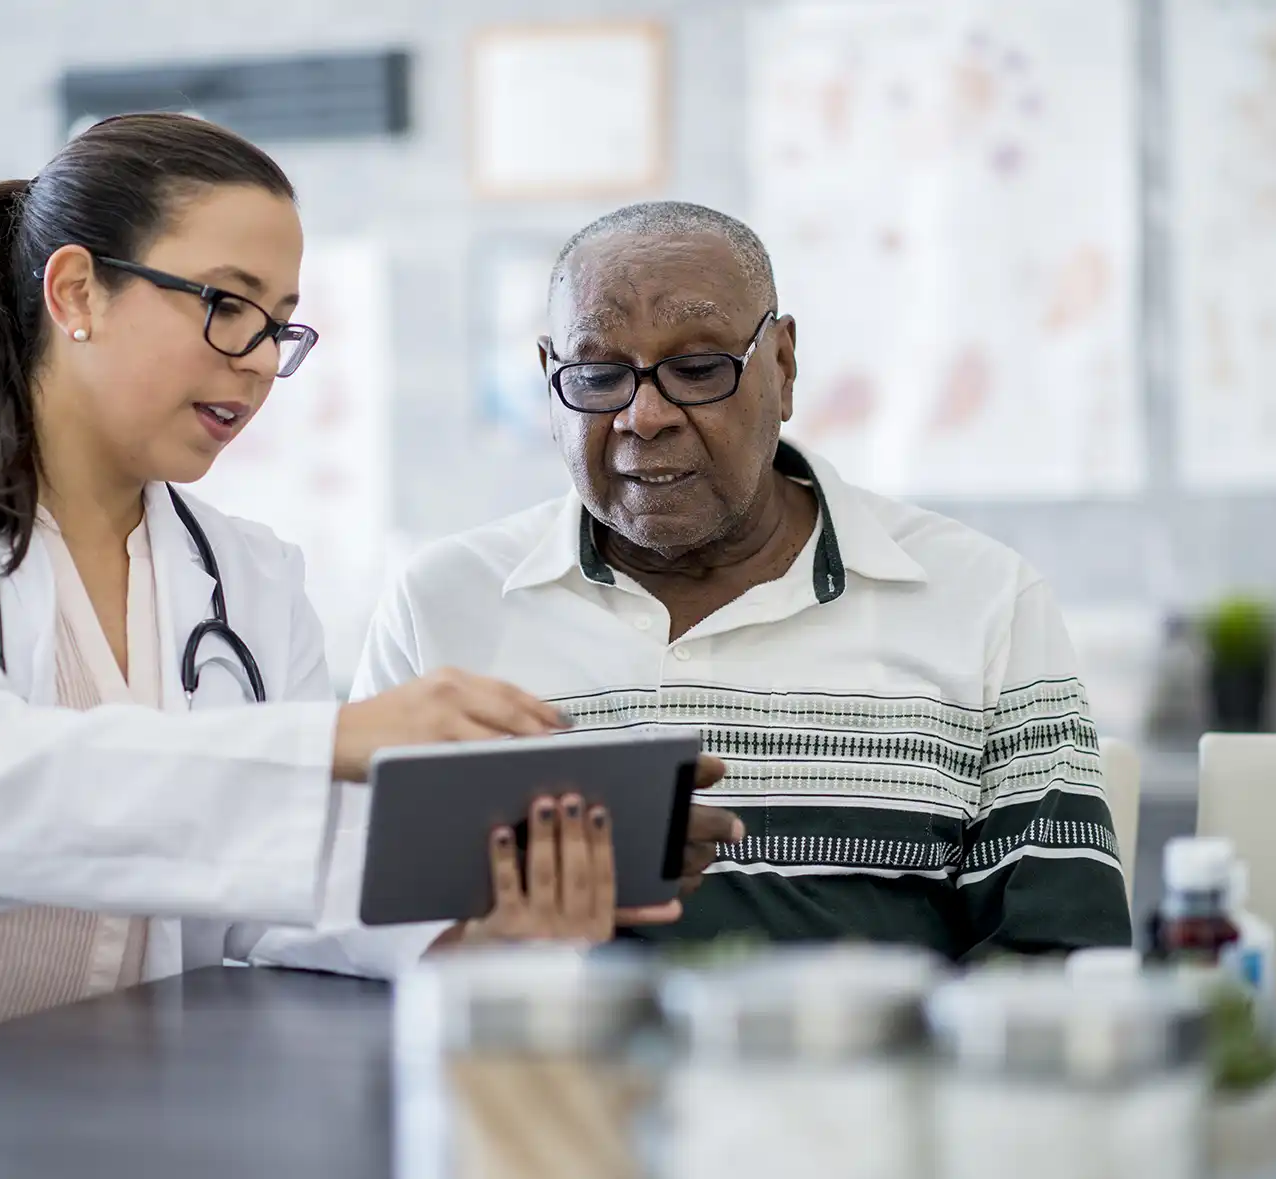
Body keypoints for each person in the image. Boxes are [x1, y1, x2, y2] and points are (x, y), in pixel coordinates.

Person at [0, 117, 704, 1105]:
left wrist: (477, 918)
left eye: (279, 324)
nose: (258, 360)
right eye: (226, 304)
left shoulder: (247, 578)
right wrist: (332, 741)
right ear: (77, 291)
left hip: (91, 1113)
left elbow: (279, 895)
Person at [255, 201, 1131, 975]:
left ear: (782, 366)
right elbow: (332, 915)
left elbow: (1060, 957)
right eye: (598, 375)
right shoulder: (445, 603)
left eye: (700, 367)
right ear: (550, 381)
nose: (644, 415)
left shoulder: (979, 598)